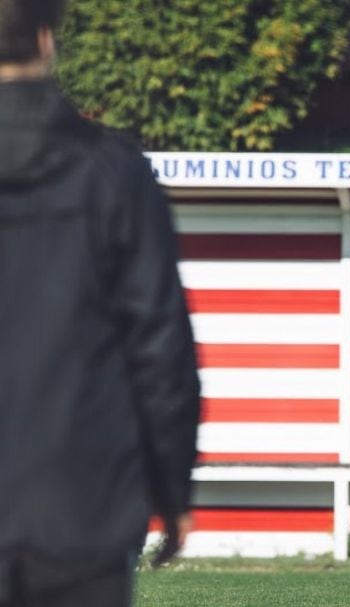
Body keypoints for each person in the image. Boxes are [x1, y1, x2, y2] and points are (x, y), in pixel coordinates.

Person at [0, 1, 202, 606]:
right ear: (47, 37)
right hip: (82, 506)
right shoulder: (115, 171)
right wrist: (172, 490)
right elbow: (160, 346)